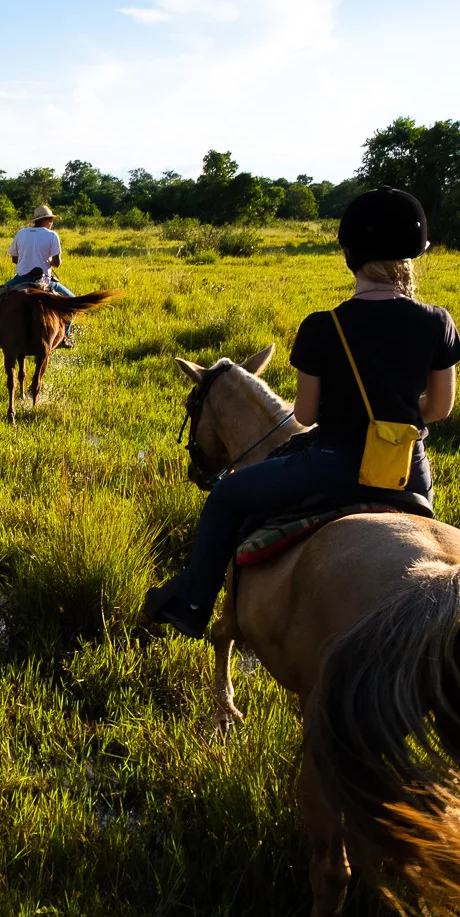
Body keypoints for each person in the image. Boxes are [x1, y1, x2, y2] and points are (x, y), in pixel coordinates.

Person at [145, 186, 460, 638]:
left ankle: (193, 604)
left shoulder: (322, 326)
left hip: (331, 466)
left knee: (226, 497)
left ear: (350, 254)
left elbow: (308, 415)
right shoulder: (438, 320)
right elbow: (442, 408)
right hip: (406, 472)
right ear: (411, 256)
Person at [0, 205, 79, 349]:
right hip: (44, 280)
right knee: (72, 303)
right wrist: (49, 261)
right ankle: (64, 337)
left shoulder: (21, 233)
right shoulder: (52, 235)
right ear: (46, 220)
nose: (52, 223)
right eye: (51, 220)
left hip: (20, 279)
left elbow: (14, 259)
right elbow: (57, 262)